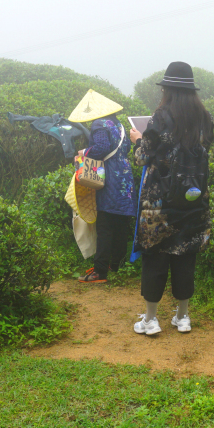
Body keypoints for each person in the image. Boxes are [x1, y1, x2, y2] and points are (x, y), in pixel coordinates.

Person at [129, 62, 214, 335]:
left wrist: (138, 139)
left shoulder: (160, 116)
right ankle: (183, 316)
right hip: (193, 200)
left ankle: (151, 320)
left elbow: (143, 156)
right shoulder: (205, 118)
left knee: (155, 256)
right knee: (185, 256)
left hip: (159, 203)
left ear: (167, 89)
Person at [70, 89, 137, 283]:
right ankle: (117, 265)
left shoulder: (99, 124)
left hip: (109, 177)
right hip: (125, 175)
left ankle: (100, 271)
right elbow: (124, 148)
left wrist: (85, 151)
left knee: (105, 224)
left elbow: (101, 148)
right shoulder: (119, 125)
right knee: (121, 221)